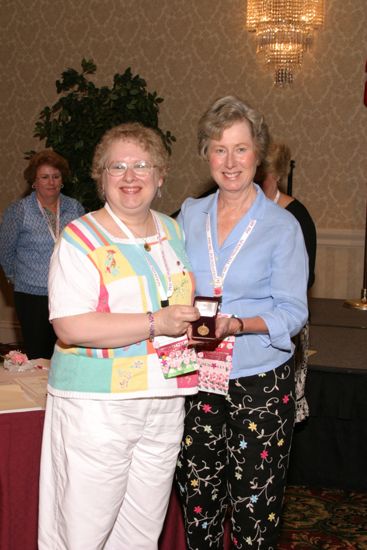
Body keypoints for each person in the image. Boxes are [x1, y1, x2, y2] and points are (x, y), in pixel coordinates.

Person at [38, 122, 200, 550]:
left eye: (142, 165)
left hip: (165, 400)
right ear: (101, 177)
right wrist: (156, 323)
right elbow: (70, 325)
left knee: (142, 532)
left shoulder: (173, 231)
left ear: (160, 175)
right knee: (83, 531)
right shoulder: (79, 238)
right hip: (98, 408)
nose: (131, 177)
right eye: (118, 167)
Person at [175, 96, 309, 549]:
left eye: (241, 149)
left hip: (259, 381)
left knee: (256, 507)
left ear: (258, 153)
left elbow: (293, 313)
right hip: (196, 378)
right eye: (218, 148)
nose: (229, 162)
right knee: (198, 500)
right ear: (205, 154)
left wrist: (239, 325)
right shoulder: (189, 215)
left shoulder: (281, 226)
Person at [0, 149, 84, 359]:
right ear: (34, 181)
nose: (51, 182)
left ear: (62, 180)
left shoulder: (74, 208)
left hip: (68, 294)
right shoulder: (20, 210)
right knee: (38, 355)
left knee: (66, 355)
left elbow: (84, 248)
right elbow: (5, 251)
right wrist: (16, 279)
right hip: (32, 295)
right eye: (45, 177)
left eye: (56, 177)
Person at [258, 142, 317, 423]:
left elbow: (305, 279)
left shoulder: (295, 216)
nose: (256, 183)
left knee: (276, 417)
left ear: (277, 175)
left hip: (284, 327)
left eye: (263, 177)